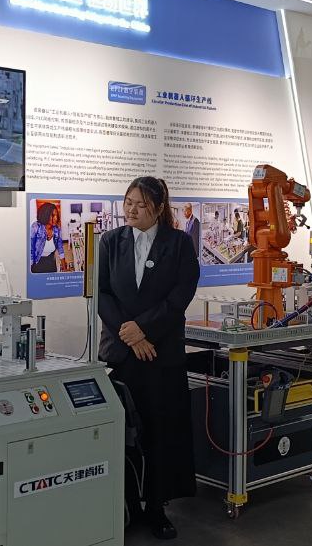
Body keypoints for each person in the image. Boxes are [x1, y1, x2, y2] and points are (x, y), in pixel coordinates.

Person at [98, 176, 200, 540]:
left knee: (161, 432)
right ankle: (125, 505)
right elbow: (101, 293)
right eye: (128, 202)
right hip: (121, 355)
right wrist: (128, 333)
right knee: (121, 433)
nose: (132, 210)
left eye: (140, 205)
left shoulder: (179, 243)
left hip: (160, 354)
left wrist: (144, 330)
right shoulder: (110, 241)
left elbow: (181, 294)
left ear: (158, 208)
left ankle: (157, 508)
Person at [29, 202, 66, 273]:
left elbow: (60, 248)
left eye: (56, 215)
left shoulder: (57, 229)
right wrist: (29, 270)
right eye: (53, 215)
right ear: (45, 215)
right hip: (37, 263)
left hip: (50, 262)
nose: (56, 218)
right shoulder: (36, 227)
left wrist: (64, 269)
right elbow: (31, 249)